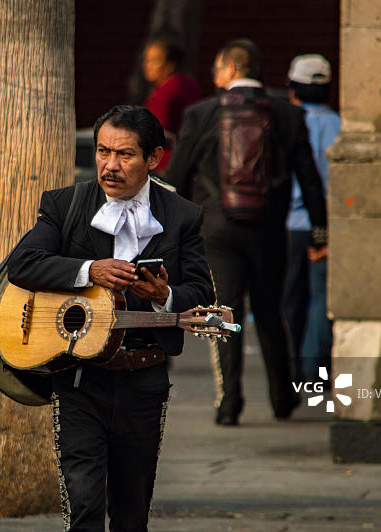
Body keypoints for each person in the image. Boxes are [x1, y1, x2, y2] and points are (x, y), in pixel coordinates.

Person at [8, 105, 215, 531]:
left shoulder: (182, 215)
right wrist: (88, 270)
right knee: (83, 508)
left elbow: (201, 293)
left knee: (131, 513)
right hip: (80, 377)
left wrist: (166, 296)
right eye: (103, 152)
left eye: (125, 155)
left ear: (154, 158)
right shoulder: (66, 204)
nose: (110, 165)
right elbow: (23, 264)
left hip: (145, 379)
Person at [165, 39, 328, 426]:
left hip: (218, 233)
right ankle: (282, 399)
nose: (214, 77)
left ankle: (229, 404)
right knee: (271, 312)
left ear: (231, 70)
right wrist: (320, 233)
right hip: (271, 232)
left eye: (217, 70)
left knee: (223, 313)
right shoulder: (289, 115)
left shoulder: (201, 114)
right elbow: (309, 179)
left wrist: (177, 234)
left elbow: (176, 180)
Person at [283, 54, 341, 383]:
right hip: (328, 226)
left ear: (293, 88)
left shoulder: (287, 123)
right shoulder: (340, 126)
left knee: (290, 299)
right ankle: (314, 370)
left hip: (290, 226)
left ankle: (292, 369)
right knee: (322, 299)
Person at [141, 38, 202, 172]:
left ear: (170, 64)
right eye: (146, 60)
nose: (147, 65)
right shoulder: (189, 82)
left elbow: (154, 130)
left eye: (154, 60)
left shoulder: (168, 90)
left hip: (165, 163)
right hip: (189, 158)